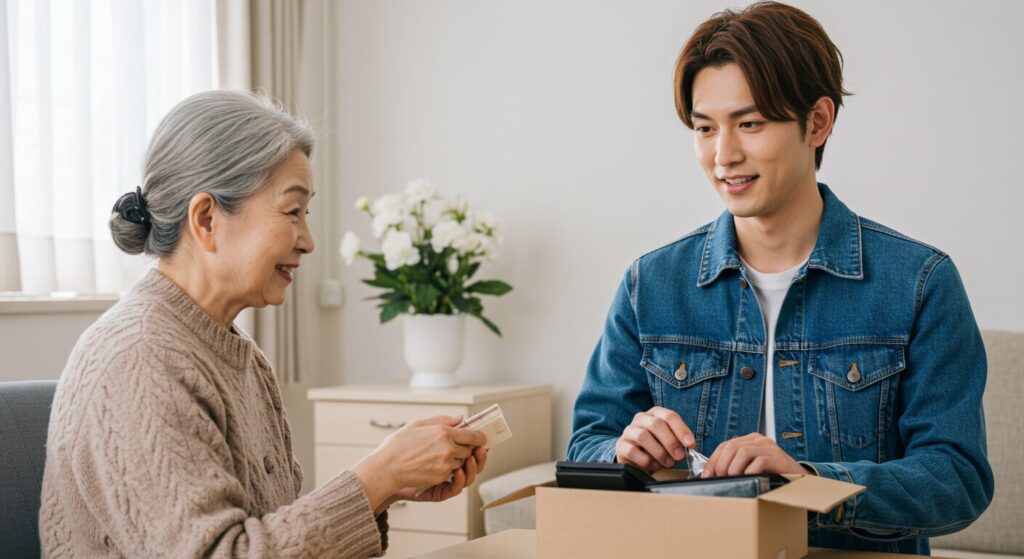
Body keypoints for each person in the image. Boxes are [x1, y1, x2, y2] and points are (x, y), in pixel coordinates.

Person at [566, 2, 993, 554]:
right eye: (704, 128)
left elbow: (957, 480)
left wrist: (809, 482)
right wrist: (623, 452)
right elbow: (586, 443)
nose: (724, 155)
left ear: (817, 122)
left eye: (750, 124)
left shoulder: (919, 282)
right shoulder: (651, 284)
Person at [39, 90, 488, 558]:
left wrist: (388, 488)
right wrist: (377, 477)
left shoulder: (237, 354)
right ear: (207, 219)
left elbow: (266, 535)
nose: (309, 241)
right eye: (292, 211)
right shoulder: (138, 359)